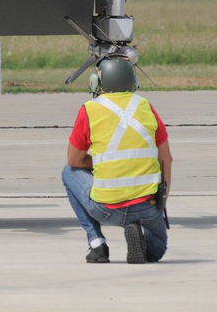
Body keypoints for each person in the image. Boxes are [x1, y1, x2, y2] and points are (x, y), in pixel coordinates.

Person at [61, 56, 173, 264]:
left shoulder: (89, 109)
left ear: (97, 83)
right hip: (147, 206)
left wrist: (105, 163)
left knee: (68, 172)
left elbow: (74, 161)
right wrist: (161, 201)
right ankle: (140, 234)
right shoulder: (146, 106)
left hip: (105, 208)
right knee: (157, 250)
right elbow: (166, 158)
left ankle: (97, 244)